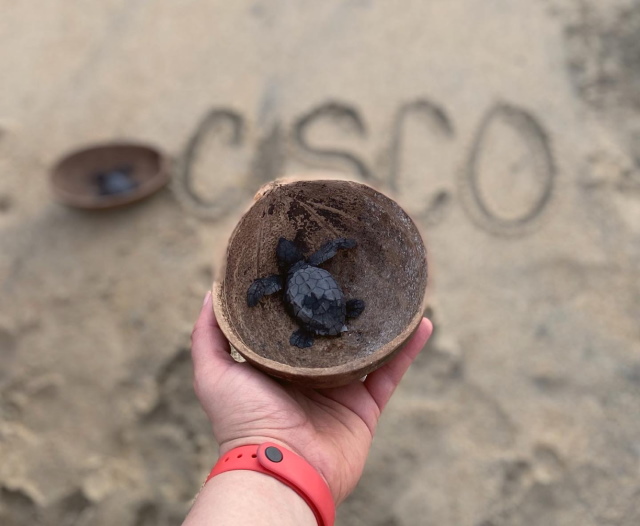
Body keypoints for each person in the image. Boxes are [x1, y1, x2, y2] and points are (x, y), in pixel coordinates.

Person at [182, 291, 433, 525]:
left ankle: (318, 326)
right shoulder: (309, 265)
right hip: (330, 306)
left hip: (312, 315)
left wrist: (263, 442)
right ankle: (344, 313)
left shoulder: (286, 280)